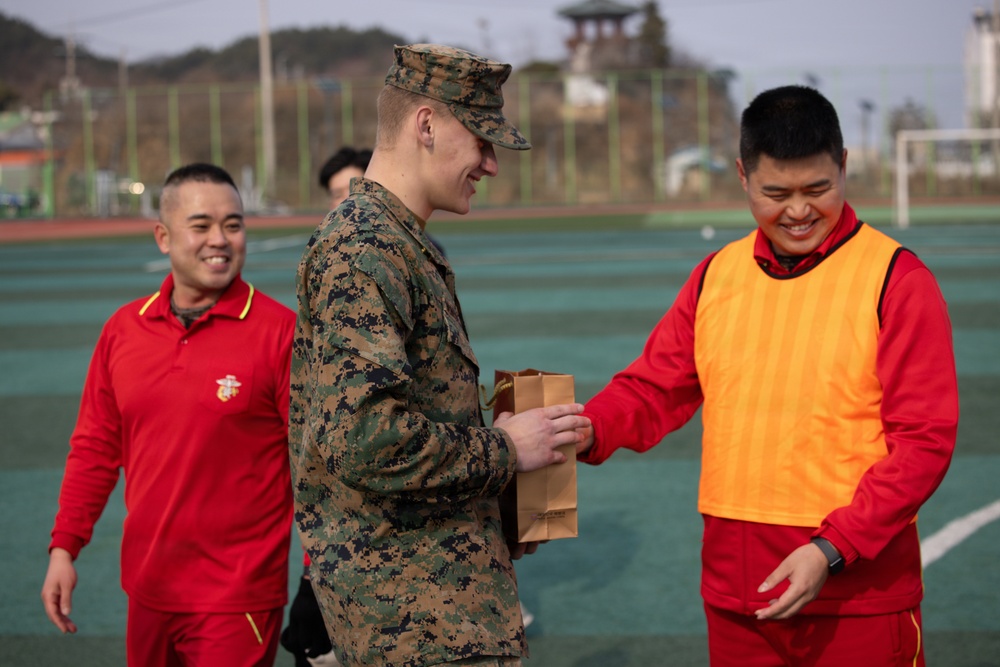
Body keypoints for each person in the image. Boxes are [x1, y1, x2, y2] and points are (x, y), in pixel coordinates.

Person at [577, 85, 958, 666]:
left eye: (818, 189)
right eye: (776, 193)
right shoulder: (715, 274)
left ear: (845, 166)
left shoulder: (899, 280)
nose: (799, 211)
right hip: (738, 598)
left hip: (856, 597)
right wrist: (586, 428)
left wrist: (832, 549)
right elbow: (655, 387)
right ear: (742, 176)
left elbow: (925, 442)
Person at [289, 43, 589, 667]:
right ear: (425, 124)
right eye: (480, 140)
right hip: (416, 625)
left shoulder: (400, 241)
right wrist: (508, 448)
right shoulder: (364, 248)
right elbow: (366, 437)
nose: (490, 164)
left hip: (438, 607)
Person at [41, 163, 296, 667]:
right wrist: (64, 548)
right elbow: (94, 447)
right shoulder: (123, 329)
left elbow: (317, 469)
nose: (219, 240)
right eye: (201, 225)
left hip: (236, 598)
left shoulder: (281, 332)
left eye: (234, 224)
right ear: (163, 236)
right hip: (149, 589)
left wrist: (317, 575)